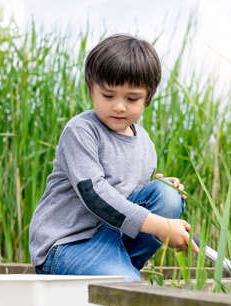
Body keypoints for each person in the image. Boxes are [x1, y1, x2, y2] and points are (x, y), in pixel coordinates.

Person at [29, 34, 199, 281]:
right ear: (92, 91)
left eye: (131, 99)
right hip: (70, 244)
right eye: (108, 96)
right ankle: (122, 276)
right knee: (129, 289)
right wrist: (162, 228)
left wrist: (159, 184)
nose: (119, 106)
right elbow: (95, 195)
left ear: (147, 98)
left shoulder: (145, 143)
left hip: (112, 238)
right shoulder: (81, 131)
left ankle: (122, 268)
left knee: (167, 195)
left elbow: (131, 192)